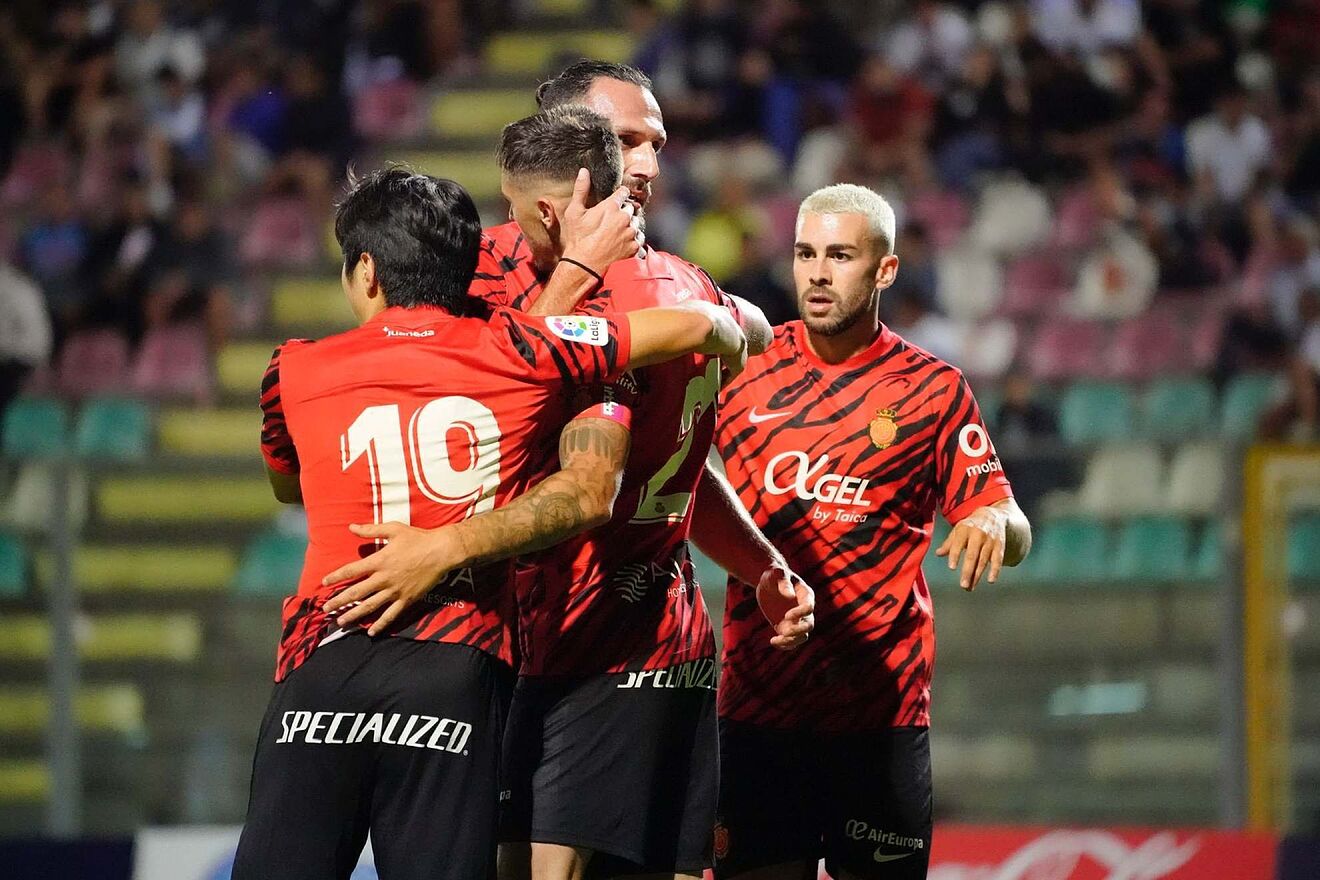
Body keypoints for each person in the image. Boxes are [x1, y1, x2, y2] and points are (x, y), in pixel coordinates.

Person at [320, 86, 813, 880]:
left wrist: (759, 563)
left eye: (653, 143)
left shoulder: (644, 288)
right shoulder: (487, 274)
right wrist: (727, 318)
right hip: (536, 640)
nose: (642, 166)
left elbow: (611, 469)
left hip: (603, 634)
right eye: (623, 140)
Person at [232, 166, 751, 880]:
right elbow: (696, 326)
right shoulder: (523, 348)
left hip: (325, 662)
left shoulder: (292, 368)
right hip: (454, 668)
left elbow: (287, 485)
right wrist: (733, 328)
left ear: (368, 272)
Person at [710, 184, 1032, 880]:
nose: (818, 274)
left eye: (840, 256)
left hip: (881, 715)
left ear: (885, 270)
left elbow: (1010, 521)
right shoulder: (742, 367)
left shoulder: (932, 389)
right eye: (805, 254)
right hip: (760, 706)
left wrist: (991, 519)